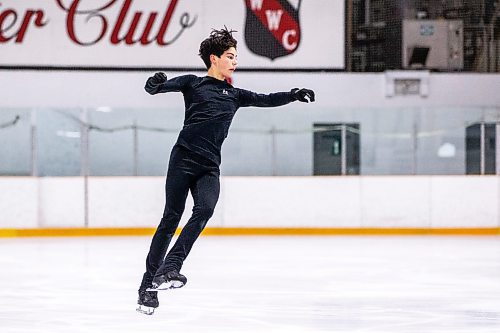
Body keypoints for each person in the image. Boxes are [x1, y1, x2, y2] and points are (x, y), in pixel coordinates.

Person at [136, 27, 315, 315]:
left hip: (209, 166)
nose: (235, 61)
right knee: (170, 218)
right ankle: (147, 288)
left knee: (204, 209)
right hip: (182, 159)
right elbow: (155, 88)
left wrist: (294, 94)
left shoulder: (234, 94)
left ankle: (170, 268)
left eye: (235, 57)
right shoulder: (192, 84)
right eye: (230, 56)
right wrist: (155, 82)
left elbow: (266, 99)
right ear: (214, 58)